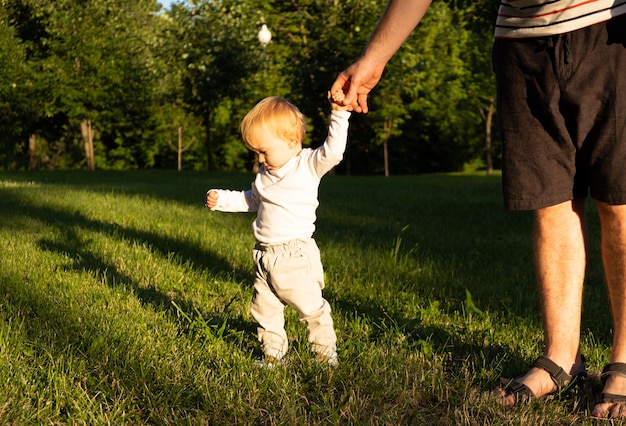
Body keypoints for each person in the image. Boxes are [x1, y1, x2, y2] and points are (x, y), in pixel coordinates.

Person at [331, 0, 626, 418]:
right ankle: (561, 357)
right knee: (550, 202)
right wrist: (374, 58)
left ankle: (625, 360)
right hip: (520, 40)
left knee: (620, 202)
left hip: (609, 26)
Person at [205, 93, 350, 367]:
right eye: (256, 153)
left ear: (291, 141)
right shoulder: (264, 175)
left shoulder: (307, 165)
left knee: (310, 307)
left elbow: (334, 151)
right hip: (263, 256)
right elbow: (252, 200)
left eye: (264, 151)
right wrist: (222, 199)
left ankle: (324, 351)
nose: (260, 159)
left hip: (293, 255)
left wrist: (339, 114)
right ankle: (273, 353)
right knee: (265, 308)